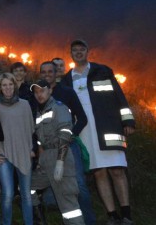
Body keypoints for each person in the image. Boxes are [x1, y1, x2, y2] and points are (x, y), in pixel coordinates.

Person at [62, 39, 135, 224]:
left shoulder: (102, 70)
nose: (78, 53)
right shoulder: (67, 79)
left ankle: (126, 215)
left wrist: (127, 120)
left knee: (117, 170)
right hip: (85, 132)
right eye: (75, 50)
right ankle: (112, 215)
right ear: (71, 54)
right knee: (98, 172)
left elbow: (119, 95)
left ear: (87, 52)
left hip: (109, 127)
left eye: (81, 49)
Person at [40, 61, 95, 224]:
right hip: (48, 149)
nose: (47, 74)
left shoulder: (67, 92)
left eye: (51, 71)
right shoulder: (37, 95)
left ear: (56, 73)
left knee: (79, 185)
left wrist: (71, 136)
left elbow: (82, 118)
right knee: (51, 183)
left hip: (69, 147)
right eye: (44, 72)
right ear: (40, 74)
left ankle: (89, 220)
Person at [30, 80, 84, 225]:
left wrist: (60, 162)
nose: (39, 94)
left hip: (61, 155)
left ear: (50, 91)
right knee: (28, 187)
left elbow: (65, 134)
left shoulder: (58, 107)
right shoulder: (39, 111)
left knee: (68, 205)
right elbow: (40, 141)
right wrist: (41, 161)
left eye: (42, 90)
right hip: (46, 158)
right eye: (36, 92)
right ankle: (39, 220)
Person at [0, 73, 34, 225]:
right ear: (0, 88)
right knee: (8, 194)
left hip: (23, 152)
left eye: (10, 84)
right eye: (4, 85)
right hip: (3, 153)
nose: (7, 88)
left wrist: (31, 148)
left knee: (26, 195)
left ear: (14, 86)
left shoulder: (24, 104)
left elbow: (31, 129)